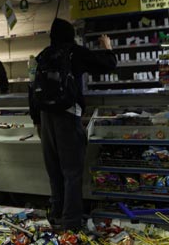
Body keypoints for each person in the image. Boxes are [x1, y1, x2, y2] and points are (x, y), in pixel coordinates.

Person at [29, 18, 117, 232]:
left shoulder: (42, 56)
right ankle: (71, 223)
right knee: (72, 172)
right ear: (70, 35)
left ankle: (57, 215)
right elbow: (108, 65)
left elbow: (31, 88)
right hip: (67, 117)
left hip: (46, 118)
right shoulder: (74, 52)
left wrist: (37, 121)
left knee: (55, 172)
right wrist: (108, 48)